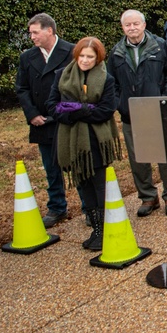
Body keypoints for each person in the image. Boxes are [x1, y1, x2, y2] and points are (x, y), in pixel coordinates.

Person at [46, 37, 121, 252]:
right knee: (83, 183)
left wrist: (76, 109)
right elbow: (51, 105)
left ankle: (106, 230)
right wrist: (77, 112)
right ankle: (96, 228)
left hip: (96, 142)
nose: (85, 60)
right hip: (71, 140)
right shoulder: (62, 76)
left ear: (98, 58)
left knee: (99, 185)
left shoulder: (107, 79)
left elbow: (106, 110)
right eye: (82, 56)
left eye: (90, 57)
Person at [107, 9, 167, 217]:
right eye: (128, 25)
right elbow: (111, 83)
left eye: (135, 24)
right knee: (138, 159)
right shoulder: (117, 52)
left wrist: (163, 98)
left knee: (165, 156)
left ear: (144, 25)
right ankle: (148, 197)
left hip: (158, 112)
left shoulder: (160, 46)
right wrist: (120, 104)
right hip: (131, 115)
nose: (132, 28)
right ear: (123, 28)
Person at [15, 13, 77, 228]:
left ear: (49, 30)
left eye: (35, 32)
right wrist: (32, 114)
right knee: (51, 167)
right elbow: (21, 88)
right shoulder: (27, 58)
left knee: (77, 164)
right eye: (30, 33)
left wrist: (68, 111)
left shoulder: (72, 51)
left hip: (67, 119)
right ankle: (57, 207)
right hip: (41, 121)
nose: (31, 37)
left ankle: (91, 207)